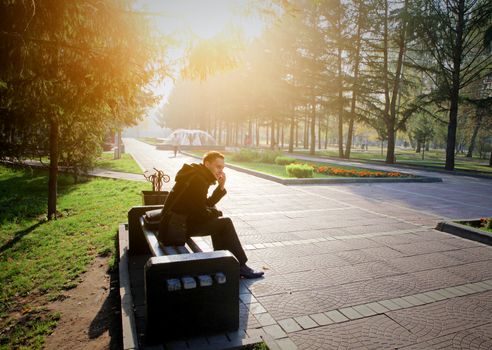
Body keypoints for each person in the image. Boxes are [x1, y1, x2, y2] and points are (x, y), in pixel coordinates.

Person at [163, 151, 264, 279]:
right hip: (177, 228)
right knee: (225, 223)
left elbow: (203, 205)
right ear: (207, 163)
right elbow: (201, 213)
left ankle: (223, 261)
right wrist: (215, 213)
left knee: (218, 219)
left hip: (176, 224)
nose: (220, 171)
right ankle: (241, 266)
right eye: (218, 167)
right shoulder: (198, 180)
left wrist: (221, 187)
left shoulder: (197, 175)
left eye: (222, 168)